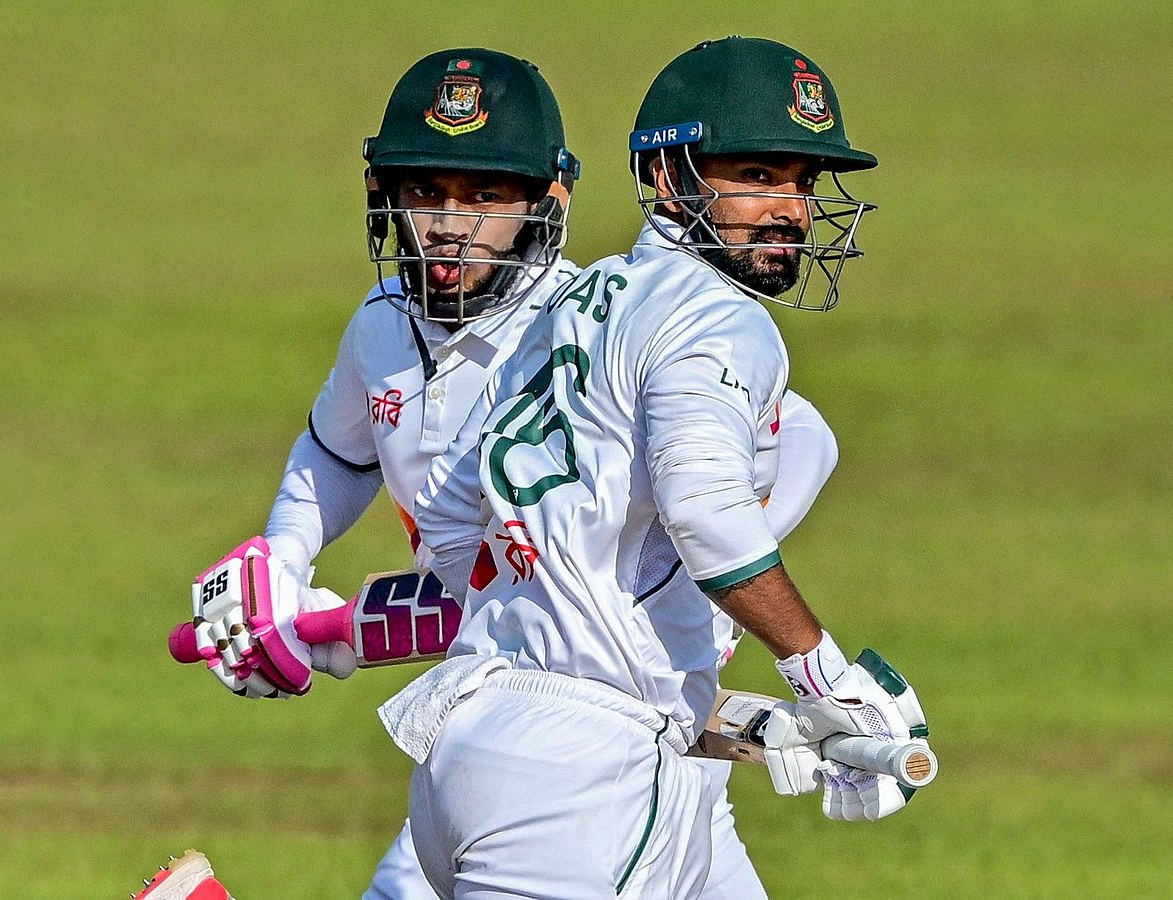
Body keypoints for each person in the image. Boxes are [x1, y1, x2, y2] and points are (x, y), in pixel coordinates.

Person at [186, 46, 842, 900]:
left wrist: (352, 631)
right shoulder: (380, 328)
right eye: (427, 191)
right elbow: (339, 455)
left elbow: (763, 472)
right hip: (524, 716)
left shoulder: (573, 338)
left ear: (549, 200)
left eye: (485, 195)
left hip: (603, 737)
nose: (451, 224)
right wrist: (283, 562)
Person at [400, 36, 929, 899]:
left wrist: (619, 659)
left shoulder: (576, 295)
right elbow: (708, 513)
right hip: (585, 783)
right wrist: (823, 674)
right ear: (668, 175)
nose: (790, 208)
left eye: (801, 180)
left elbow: (456, 515)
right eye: (756, 176)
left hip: (480, 741)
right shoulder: (720, 319)